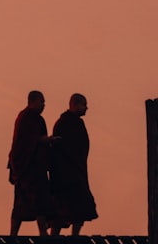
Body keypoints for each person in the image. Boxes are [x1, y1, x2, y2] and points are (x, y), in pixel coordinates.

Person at [7, 90, 55, 236]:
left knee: (41, 202)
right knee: (21, 203)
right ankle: (13, 234)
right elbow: (24, 142)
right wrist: (44, 140)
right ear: (32, 102)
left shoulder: (38, 119)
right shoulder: (25, 118)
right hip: (26, 167)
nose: (44, 105)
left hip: (37, 167)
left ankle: (42, 233)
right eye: (41, 101)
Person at [49, 93, 98, 236]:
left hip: (77, 171)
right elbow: (60, 147)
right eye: (84, 105)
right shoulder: (63, 123)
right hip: (65, 173)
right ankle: (54, 237)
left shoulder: (76, 123)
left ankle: (75, 235)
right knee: (62, 207)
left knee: (81, 205)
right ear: (75, 104)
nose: (86, 108)